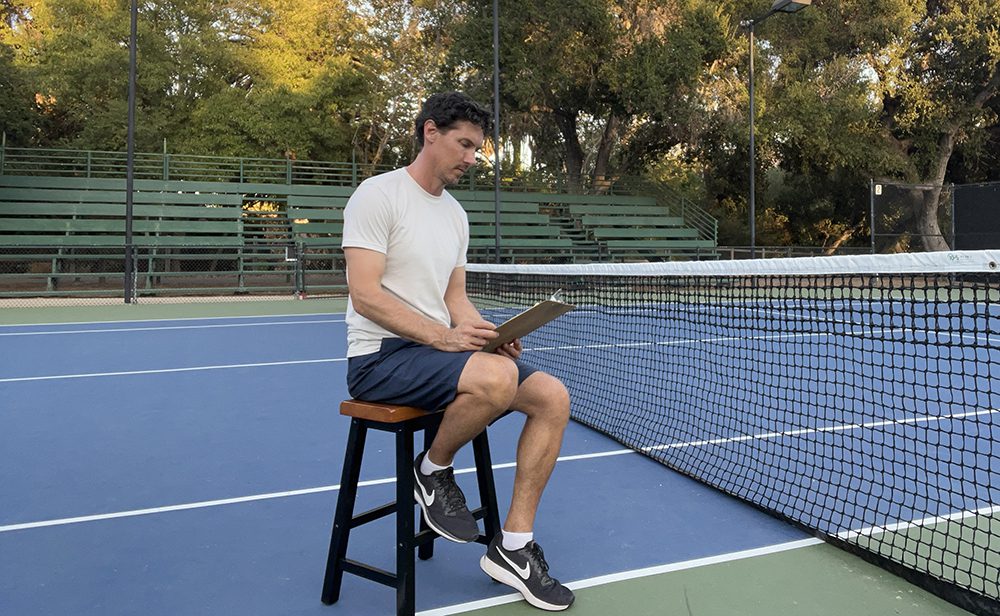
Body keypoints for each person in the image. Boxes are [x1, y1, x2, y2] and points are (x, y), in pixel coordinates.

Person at [341, 91, 575, 612]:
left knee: (552, 396)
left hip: (435, 354)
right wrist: (443, 337)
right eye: (464, 144)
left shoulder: (455, 215)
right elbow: (365, 294)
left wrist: (488, 334)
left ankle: (513, 547)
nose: (472, 157)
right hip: (380, 358)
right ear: (430, 132)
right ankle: (432, 470)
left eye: (477, 148)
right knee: (495, 379)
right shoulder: (377, 196)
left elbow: (455, 300)